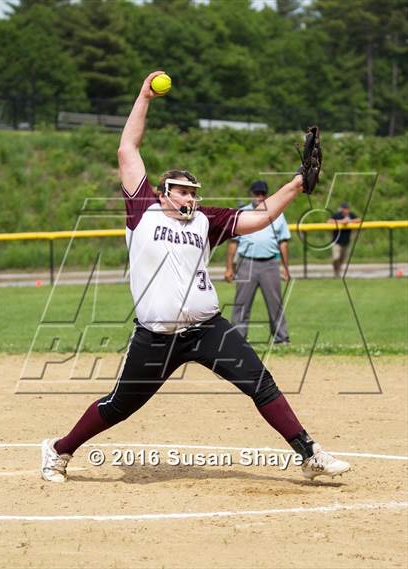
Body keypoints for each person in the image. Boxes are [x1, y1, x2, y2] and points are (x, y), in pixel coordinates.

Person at [41, 71, 350, 483]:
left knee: (260, 382)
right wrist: (143, 97)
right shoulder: (142, 210)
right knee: (119, 405)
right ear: (165, 191)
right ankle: (59, 450)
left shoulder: (207, 220)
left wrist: (296, 184)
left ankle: (309, 453)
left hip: (207, 329)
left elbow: (260, 217)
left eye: (193, 192)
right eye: (181, 190)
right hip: (156, 336)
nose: (189, 197)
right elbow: (127, 148)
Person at [225, 180, 290, 344]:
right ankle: (238, 340)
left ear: (266, 194)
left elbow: (283, 242)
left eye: (263, 193)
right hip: (246, 263)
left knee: (275, 303)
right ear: (251, 194)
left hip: (270, 264)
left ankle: (282, 338)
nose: (260, 197)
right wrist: (229, 267)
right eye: (257, 193)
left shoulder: (276, 213)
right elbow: (233, 242)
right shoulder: (242, 213)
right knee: (241, 303)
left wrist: (285, 267)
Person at [328, 202, 360, 277]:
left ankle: (338, 271)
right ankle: (336, 272)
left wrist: (349, 221)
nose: (347, 210)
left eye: (348, 209)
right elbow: (329, 221)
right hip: (336, 242)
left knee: (342, 259)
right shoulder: (337, 215)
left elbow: (358, 220)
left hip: (346, 242)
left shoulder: (350, 215)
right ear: (342, 209)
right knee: (336, 257)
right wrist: (342, 222)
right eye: (345, 209)